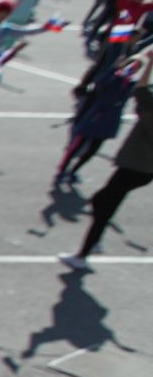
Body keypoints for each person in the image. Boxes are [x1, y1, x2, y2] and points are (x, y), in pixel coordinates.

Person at [63, 55, 153, 271]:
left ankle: (83, 254)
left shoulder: (151, 109)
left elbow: (140, 90)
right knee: (100, 200)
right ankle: (93, 243)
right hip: (143, 170)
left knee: (104, 208)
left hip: (135, 165)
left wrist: (150, 63)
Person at [57, 58, 137, 185]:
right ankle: (62, 170)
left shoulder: (130, 84)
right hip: (95, 117)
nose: (132, 70)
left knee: (92, 150)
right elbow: (99, 82)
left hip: (109, 121)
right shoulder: (112, 79)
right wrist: (115, 68)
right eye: (131, 67)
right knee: (76, 146)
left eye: (135, 68)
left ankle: (73, 171)